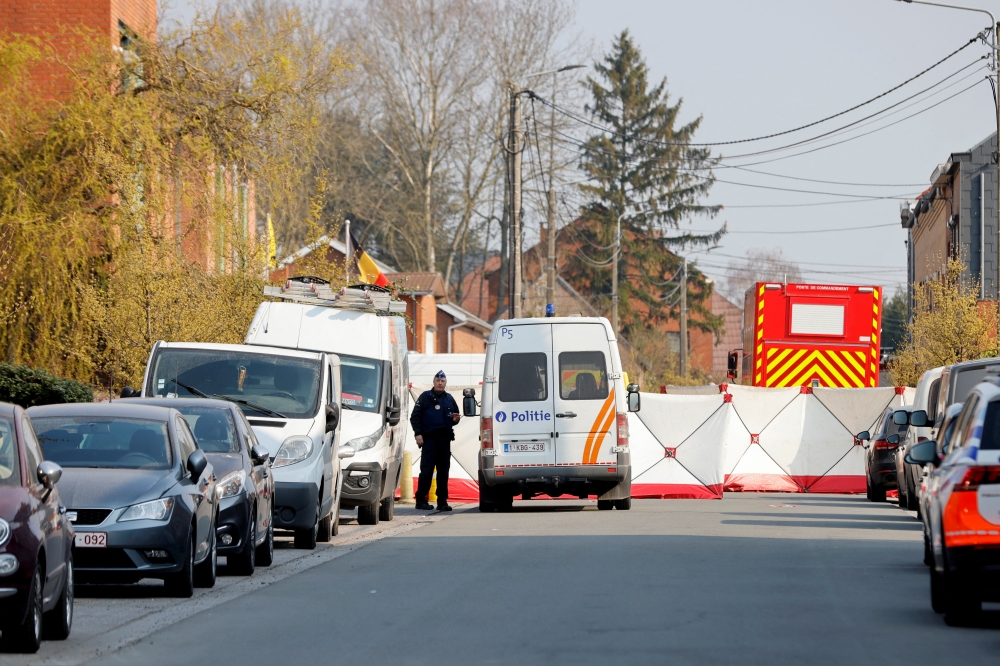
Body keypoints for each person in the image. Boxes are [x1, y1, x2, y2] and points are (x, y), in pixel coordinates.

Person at [411, 370, 461, 511]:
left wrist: (455, 420)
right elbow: (415, 417)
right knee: (426, 471)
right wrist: (418, 434)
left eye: (443, 381)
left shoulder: (449, 399)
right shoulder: (426, 397)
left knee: (443, 472)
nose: (440, 383)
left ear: (445, 383)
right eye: (438, 380)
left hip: (444, 441)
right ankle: (421, 500)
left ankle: (442, 502)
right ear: (433, 382)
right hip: (429, 440)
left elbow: (454, 417)